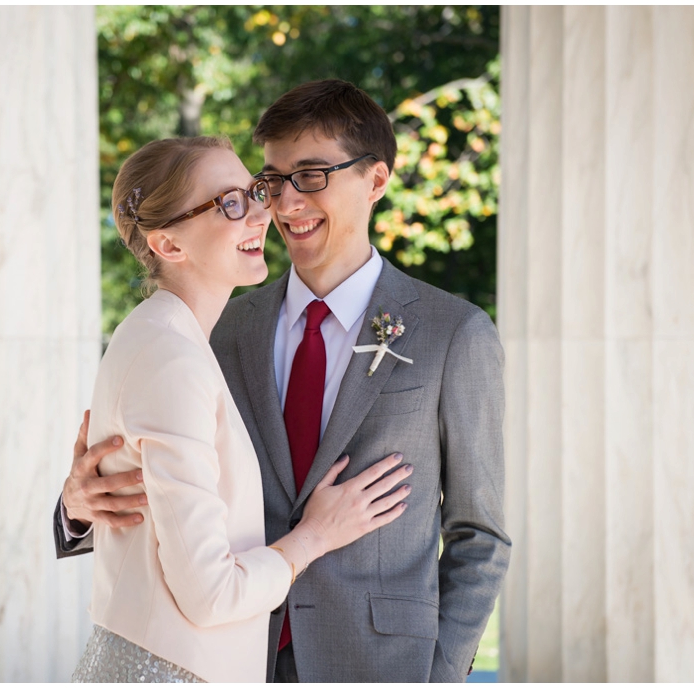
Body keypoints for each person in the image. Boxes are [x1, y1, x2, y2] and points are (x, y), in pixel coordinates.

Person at [57, 80, 510, 682]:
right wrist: (78, 509)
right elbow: (176, 499)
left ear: (376, 180)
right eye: (270, 181)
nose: (283, 203)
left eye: (312, 176)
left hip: (379, 666)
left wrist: (439, 673)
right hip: (231, 655)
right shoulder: (217, 328)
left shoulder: (455, 335)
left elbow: (480, 535)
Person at [65, 135, 412, 684]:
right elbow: (210, 594)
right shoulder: (171, 357)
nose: (261, 212)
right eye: (230, 203)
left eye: (254, 191)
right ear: (168, 246)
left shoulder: (167, 335)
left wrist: (78, 504)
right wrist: (315, 537)